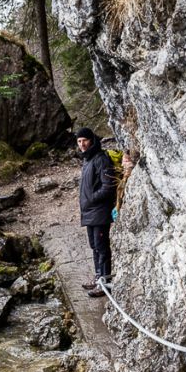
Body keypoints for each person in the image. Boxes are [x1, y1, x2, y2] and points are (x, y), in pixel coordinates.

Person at [75, 127, 116, 298]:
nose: (82, 144)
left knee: (102, 247)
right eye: (78, 141)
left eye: (84, 140)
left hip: (99, 211)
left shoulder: (100, 159)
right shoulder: (87, 160)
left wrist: (92, 198)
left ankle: (105, 283)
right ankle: (99, 278)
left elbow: (109, 185)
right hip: (90, 212)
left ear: (92, 140)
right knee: (94, 247)